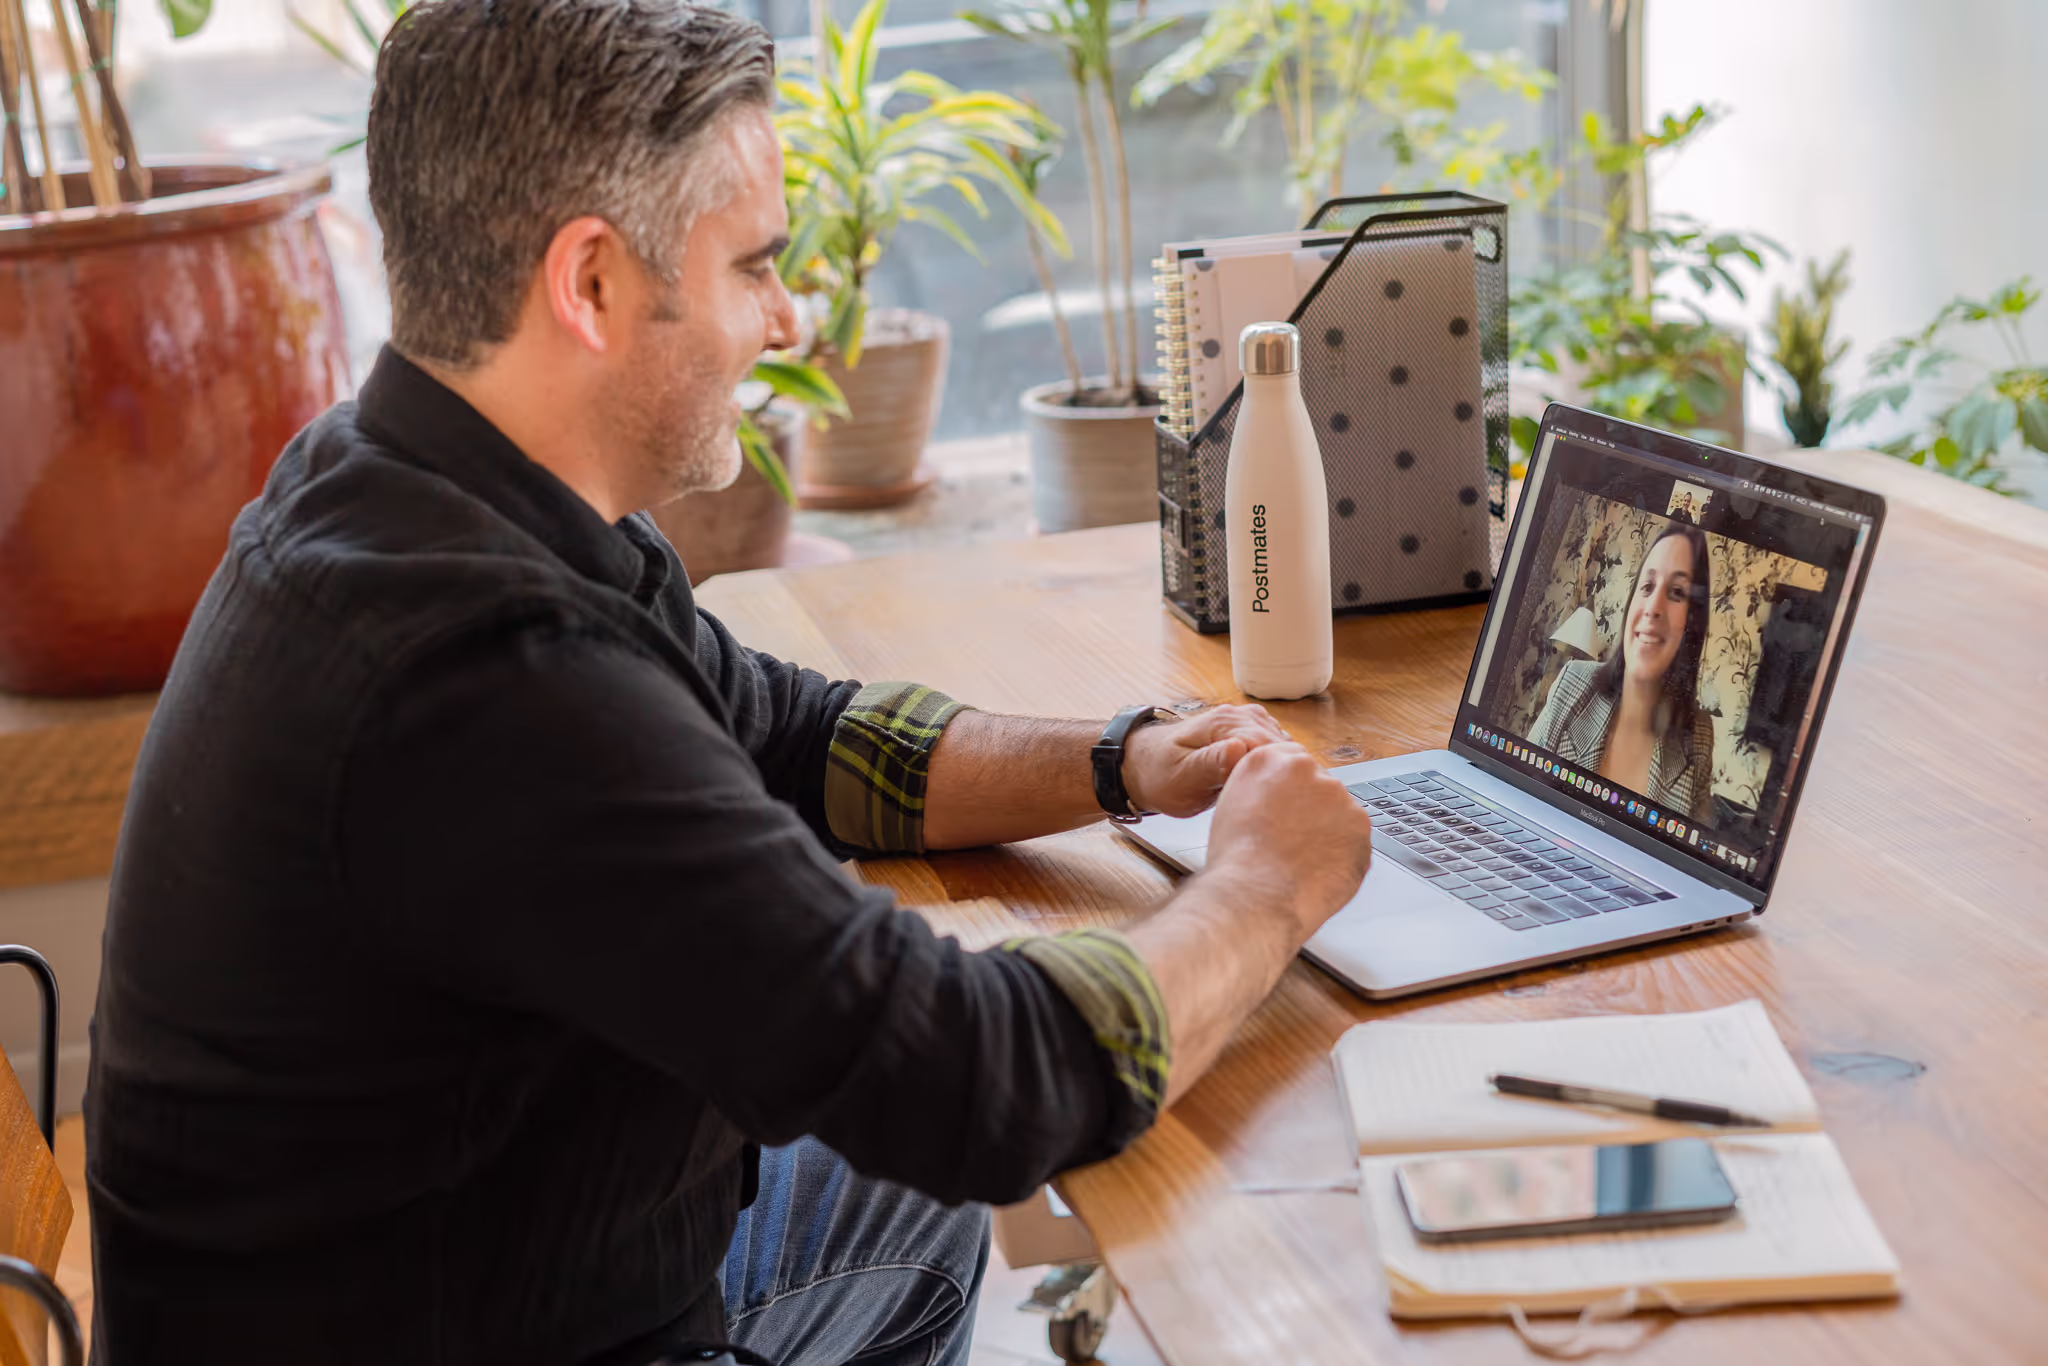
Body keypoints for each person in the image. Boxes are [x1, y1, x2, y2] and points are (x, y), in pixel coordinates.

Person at [80, 1, 1376, 1363]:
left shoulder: (413, 481)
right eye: (754, 265)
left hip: (478, 1260)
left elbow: (794, 733)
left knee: (899, 1176)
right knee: (963, 1131)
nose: (788, 315)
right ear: (589, 285)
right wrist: (1266, 887)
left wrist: (1122, 757)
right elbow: (978, 1081)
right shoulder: (486, 679)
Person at [1528, 522, 1716, 822]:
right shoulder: (1573, 683)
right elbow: (1516, 794)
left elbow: (1692, 856)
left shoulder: (1699, 735)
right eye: (1647, 586)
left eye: (1677, 592)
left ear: (1692, 624)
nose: (1654, 607)